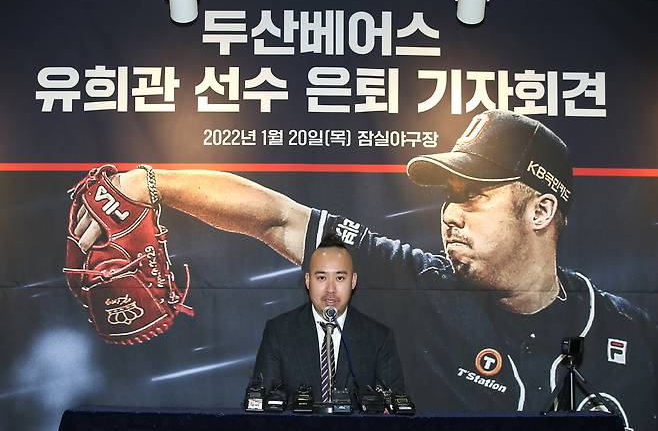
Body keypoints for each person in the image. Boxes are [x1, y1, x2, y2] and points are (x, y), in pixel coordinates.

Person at [73, 109, 656, 430]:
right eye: (448, 197)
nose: (450, 215)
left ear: (541, 211)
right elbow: (278, 219)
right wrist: (147, 183)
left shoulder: (633, 332)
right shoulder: (419, 287)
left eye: (474, 196)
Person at [250, 232, 405, 403]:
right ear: (308, 281)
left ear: (353, 281)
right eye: (322, 277)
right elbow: (259, 402)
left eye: (340, 278)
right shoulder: (279, 332)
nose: (330, 289)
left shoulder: (378, 338)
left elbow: (394, 405)